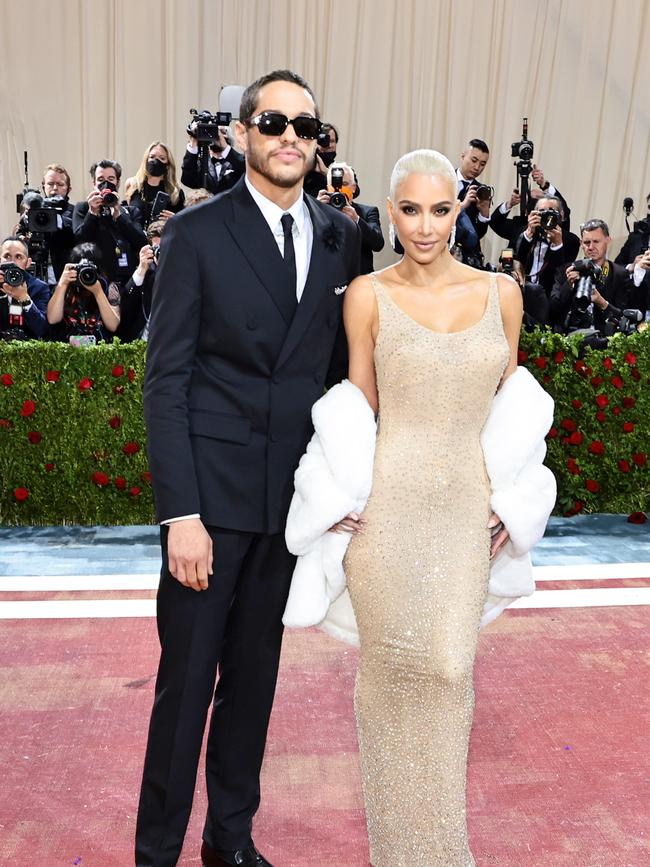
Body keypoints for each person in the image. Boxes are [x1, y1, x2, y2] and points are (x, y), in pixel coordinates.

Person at [136, 68, 360, 867]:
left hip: (289, 507)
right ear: (240, 135)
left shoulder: (344, 235)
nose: (290, 136)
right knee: (185, 693)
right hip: (212, 510)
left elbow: (344, 380)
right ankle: (156, 852)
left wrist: (347, 488)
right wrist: (181, 514)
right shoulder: (195, 234)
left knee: (252, 691)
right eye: (272, 122)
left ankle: (230, 841)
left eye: (306, 123)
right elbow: (166, 382)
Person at [339, 149, 522, 865]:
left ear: (460, 209)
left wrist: (517, 497)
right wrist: (339, 498)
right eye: (410, 209)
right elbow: (359, 409)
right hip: (387, 513)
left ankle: (445, 851)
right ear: (392, 213)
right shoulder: (367, 294)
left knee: (448, 671)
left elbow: (515, 413)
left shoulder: (500, 292)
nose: (425, 225)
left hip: (464, 513)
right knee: (389, 684)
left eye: (440, 209)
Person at [549, 218, 636, 333]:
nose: (590, 247)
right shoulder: (566, 270)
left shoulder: (619, 274)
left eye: (596, 241)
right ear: (581, 244)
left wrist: (602, 303)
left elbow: (623, 317)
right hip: (569, 336)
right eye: (586, 242)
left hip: (603, 339)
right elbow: (552, 310)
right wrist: (569, 285)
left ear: (608, 241)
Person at [72, 159, 147, 289]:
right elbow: (79, 241)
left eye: (111, 179)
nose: (106, 183)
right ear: (94, 184)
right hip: (95, 279)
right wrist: (92, 213)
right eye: (101, 179)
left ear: (117, 183)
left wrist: (119, 215)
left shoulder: (130, 211)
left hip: (127, 279)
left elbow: (141, 242)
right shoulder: (83, 208)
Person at [317, 161, 384, 273]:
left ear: (353, 187)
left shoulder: (367, 212)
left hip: (359, 278)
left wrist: (357, 219)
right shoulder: (319, 211)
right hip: (327, 276)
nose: (339, 189)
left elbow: (378, 244)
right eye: (334, 185)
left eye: (344, 184)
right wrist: (315, 209)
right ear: (327, 188)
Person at [47, 242, 120, 342]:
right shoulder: (65, 287)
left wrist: (98, 293)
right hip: (67, 349)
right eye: (80, 269)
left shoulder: (108, 288)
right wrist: (62, 284)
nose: (85, 274)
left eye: (89, 269)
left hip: (100, 349)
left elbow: (113, 325)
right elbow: (52, 319)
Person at [514, 194, 580, 296]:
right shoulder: (524, 232)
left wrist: (557, 245)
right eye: (541, 212)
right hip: (521, 290)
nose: (545, 216)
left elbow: (562, 275)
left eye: (550, 212)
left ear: (561, 216)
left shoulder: (571, 240)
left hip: (548, 296)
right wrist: (528, 235)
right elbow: (516, 260)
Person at [117, 220, 165, 342]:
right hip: (145, 343)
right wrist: (141, 268)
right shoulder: (147, 273)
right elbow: (125, 308)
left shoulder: (187, 271)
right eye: (158, 249)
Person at [124, 141, 185, 228]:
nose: (156, 161)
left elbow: (184, 224)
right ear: (146, 160)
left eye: (162, 158)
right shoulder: (132, 184)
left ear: (168, 164)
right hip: (138, 238)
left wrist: (175, 219)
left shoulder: (175, 192)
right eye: (152, 157)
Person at [0, 235, 50, 339]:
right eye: (7, 256)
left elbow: (42, 329)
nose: (12, 262)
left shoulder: (39, 287)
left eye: (18, 257)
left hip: (29, 349)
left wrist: (24, 298)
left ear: (28, 263)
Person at [181, 126, 245, 195]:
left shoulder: (237, 161)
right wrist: (193, 141)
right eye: (214, 132)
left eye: (222, 132)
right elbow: (187, 180)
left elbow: (245, 169)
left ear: (229, 139)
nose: (218, 135)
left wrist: (225, 148)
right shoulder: (202, 163)